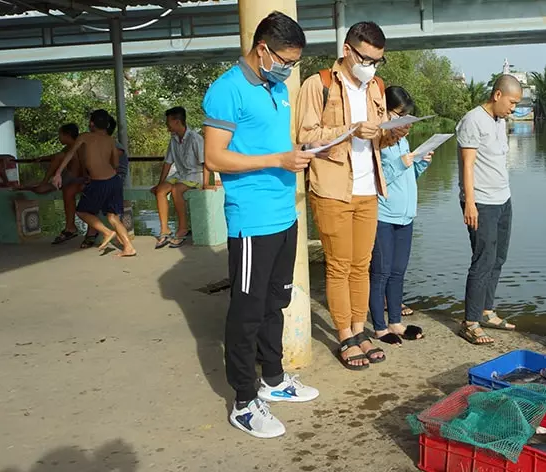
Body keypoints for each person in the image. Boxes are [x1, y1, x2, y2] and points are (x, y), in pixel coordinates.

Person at [202, 11, 321, 439]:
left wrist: (301, 151)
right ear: (262, 49)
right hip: (252, 221)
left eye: (294, 63)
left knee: (276, 303)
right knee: (247, 313)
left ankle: (273, 380)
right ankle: (243, 400)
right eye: (285, 60)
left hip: (284, 215)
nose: (289, 69)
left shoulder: (278, 88)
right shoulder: (226, 91)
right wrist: (277, 160)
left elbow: (274, 144)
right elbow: (214, 158)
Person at [295, 21, 410, 370]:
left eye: (378, 60)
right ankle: (344, 334)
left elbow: (375, 139)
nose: (372, 66)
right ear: (347, 51)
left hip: (368, 188)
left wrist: (393, 132)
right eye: (367, 58)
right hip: (333, 189)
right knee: (339, 265)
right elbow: (306, 136)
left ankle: (360, 331)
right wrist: (351, 129)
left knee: (362, 266)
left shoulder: (376, 87)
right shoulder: (319, 85)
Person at [456, 75, 522, 345]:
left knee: (498, 258)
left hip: (502, 199)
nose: (514, 108)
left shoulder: (499, 120)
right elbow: (467, 165)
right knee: (483, 259)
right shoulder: (473, 120)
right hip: (481, 202)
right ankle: (470, 322)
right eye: (512, 102)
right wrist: (469, 202)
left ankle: (486, 311)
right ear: (497, 95)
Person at [369, 86, 432, 346]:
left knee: (398, 271)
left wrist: (420, 163)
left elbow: (408, 178)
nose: (405, 123)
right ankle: (380, 327)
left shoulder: (403, 141)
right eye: (400, 116)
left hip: (406, 215)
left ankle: (396, 321)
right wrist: (401, 163)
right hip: (384, 215)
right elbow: (378, 180)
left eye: (408, 118)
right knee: (380, 272)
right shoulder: (378, 140)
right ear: (386, 111)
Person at [51, 109, 136, 257]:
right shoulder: (111, 140)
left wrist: (58, 173)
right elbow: (115, 164)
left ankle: (107, 232)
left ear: (91, 123)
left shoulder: (85, 137)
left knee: (82, 211)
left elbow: (70, 153)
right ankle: (129, 248)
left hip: (100, 182)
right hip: (114, 181)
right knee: (113, 217)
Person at [17, 124, 88, 245]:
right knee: (41, 189)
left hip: (77, 179)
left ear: (67, 135)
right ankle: (37, 184)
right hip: (67, 179)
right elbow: (58, 156)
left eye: (60, 135)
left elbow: (83, 163)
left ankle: (70, 227)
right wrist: (43, 158)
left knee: (55, 189)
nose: (59, 138)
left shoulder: (80, 147)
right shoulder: (67, 149)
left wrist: (86, 179)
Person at [151, 106, 207, 249]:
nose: (166, 125)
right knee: (161, 191)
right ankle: (165, 230)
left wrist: (206, 184)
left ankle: (183, 228)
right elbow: (168, 162)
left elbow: (205, 162)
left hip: (194, 175)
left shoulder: (196, 138)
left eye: (168, 121)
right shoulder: (174, 139)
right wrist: (160, 183)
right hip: (180, 174)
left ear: (177, 121)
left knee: (176, 190)